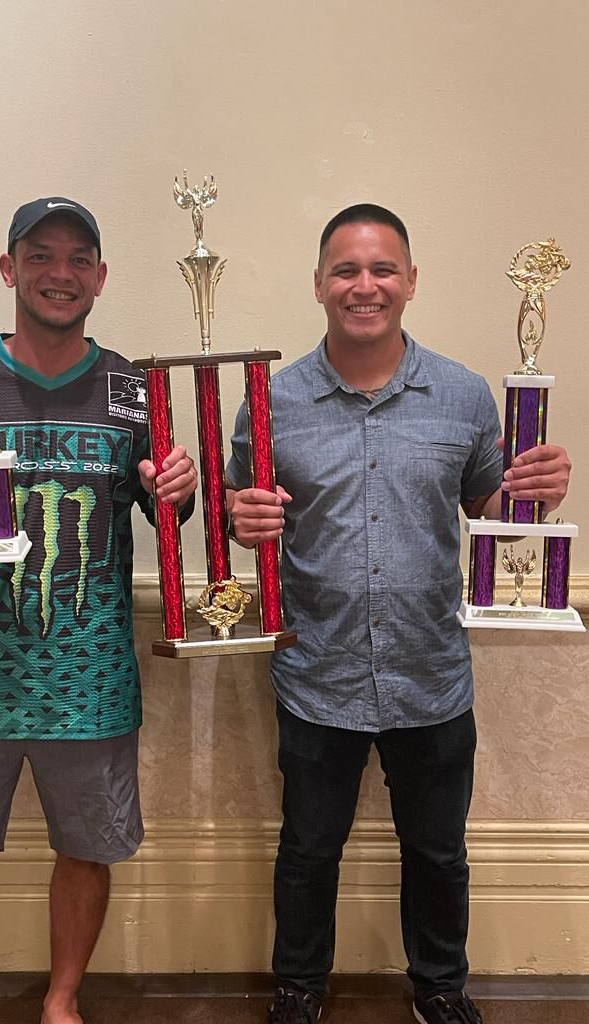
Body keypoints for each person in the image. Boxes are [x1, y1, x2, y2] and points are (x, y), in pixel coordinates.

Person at [226, 204, 571, 1024]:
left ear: (411, 282)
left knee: (438, 852)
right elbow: (246, 516)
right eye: (346, 270)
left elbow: (490, 506)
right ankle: (300, 989)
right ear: (319, 285)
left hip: (431, 673)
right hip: (317, 670)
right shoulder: (271, 404)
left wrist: (536, 494)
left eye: (383, 269)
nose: (365, 285)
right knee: (309, 850)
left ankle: (441, 990)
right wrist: (243, 519)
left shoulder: (462, 395)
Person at [0, 197, 198, 1024]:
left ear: (99, 276)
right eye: (41, 256)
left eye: (77, 259)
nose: (59, 275)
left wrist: (182, 487)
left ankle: (62, 1001)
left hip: (88, 679)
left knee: (86, 851)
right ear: (8, 268)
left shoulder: (134, 390)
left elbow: (165, 518)